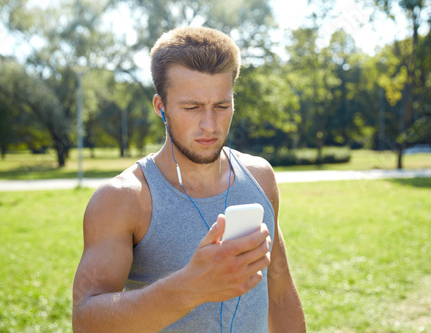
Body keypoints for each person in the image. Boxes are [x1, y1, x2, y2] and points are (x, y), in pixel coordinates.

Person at [72, 26, 306, 332]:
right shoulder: (123, 198)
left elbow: (279, 292)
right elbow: (86, 321)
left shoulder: (260, 177)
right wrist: (190, 287)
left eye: (221, 106)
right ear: (161, 107)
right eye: (192, 107)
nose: (209, 124)